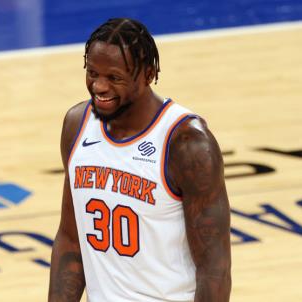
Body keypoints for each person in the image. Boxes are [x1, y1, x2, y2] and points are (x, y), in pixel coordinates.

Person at [48, 18, 231, 302]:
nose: (99, 86)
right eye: (92, 73)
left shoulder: (187, 145)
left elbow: (214, 268)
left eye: (114, 78)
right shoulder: (76, 125)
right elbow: (71, 239)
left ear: (148, 74)